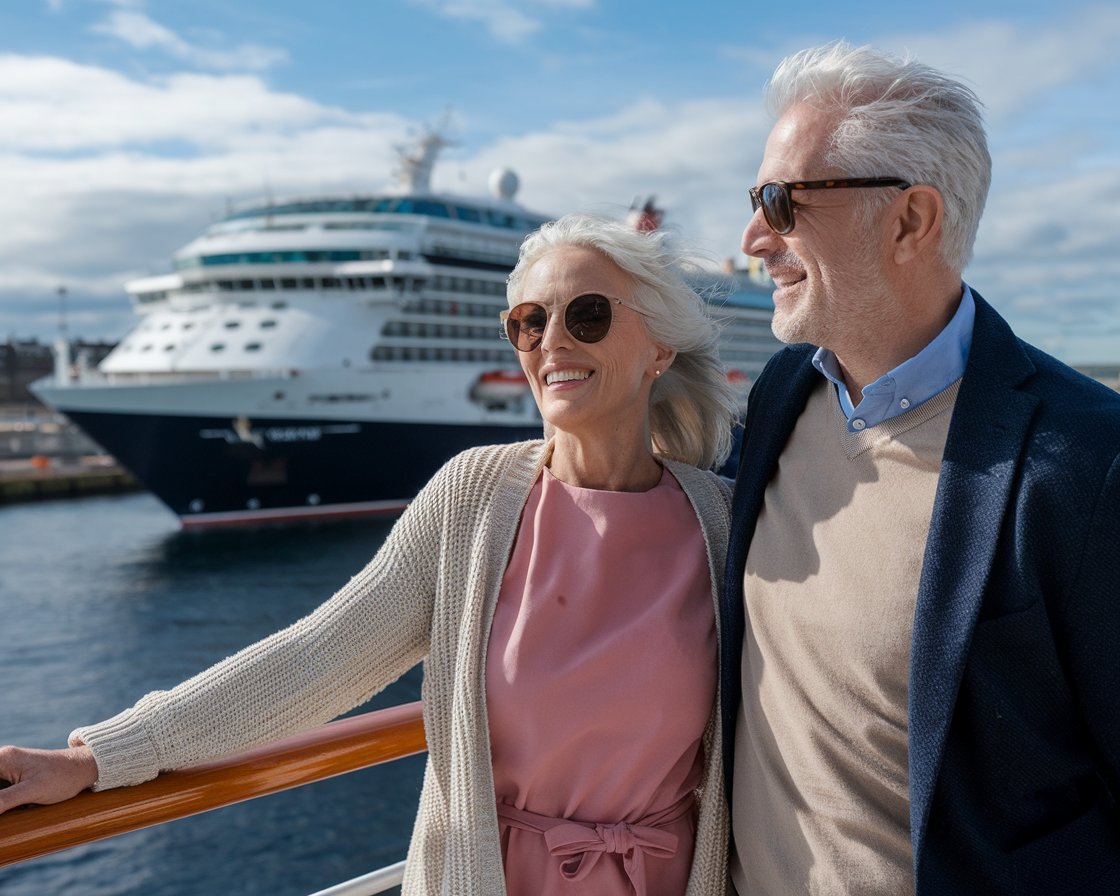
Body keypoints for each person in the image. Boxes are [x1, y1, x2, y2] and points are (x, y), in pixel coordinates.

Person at [0, 213, 742, 896]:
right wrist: (98, 757)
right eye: (528, 322)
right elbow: (315, 660)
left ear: (658, 349)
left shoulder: (723, 523)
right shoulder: (473, 498)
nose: (553, 342)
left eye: (588, 315)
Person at [721, 40, 1120, 895]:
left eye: (782, 201)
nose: (754, 236)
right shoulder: (782, 393)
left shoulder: (1088, 462)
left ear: (910, 220)